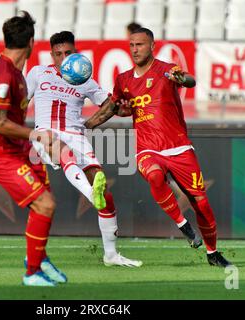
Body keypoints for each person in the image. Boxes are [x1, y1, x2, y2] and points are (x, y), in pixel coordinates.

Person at [85, 28, 232, 267]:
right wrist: (88, 124)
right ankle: (183, 225)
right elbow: (115, 108)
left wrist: (182, 79)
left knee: (201, 203)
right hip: (147, 147)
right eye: (132, 45)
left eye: (140, 45)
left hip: (178, 147)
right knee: (154, 175)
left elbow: (190, 80)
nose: (135, 50)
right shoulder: (123, 80)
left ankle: (212, 252)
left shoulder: (166, 70)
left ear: (152, 46)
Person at [26, 31, 142, 267]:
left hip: (76, 135)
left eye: (68, 53)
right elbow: (20, 102)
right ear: (51, 55)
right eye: (58, 54)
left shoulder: (85, 80)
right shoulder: (38, 73)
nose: (64, 58)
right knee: (62, 149)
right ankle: (91, 195)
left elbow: (113, 107)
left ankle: (111, 255)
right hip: (45, 133)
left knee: (104, 192)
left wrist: (125, 107)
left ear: (76, 52)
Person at [0, 11, 66, 287]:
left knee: (45, 201)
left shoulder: (13, 71)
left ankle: (37, 259)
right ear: (31, 42)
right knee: (45, 204)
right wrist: (36, 135)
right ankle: (32, 273)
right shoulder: (4, 74)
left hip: (16, 148)